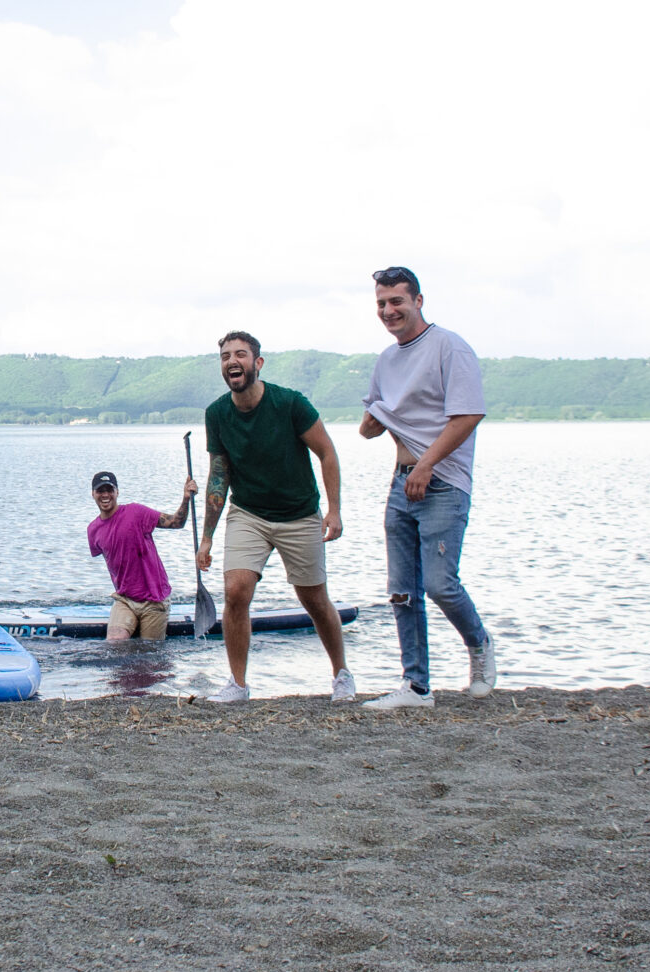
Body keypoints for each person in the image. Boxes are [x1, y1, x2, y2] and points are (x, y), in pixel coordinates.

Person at [357, 266, 498, 705]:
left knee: (440, 585)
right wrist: (374, 421)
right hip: (401, 483)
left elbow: (469, 415)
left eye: (396, 301)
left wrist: (426, 466)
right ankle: (416, 685)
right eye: (381, 303)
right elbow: (373, 422)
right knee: (401, 591)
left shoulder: (449, 347)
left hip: (443, 484)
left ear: (418, 301)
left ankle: (479, 646)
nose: (388, 310)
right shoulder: (386, 359)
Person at [195, 331, 351, 701]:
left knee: (313, 599)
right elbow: (219, 476)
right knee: (236, 591)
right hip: (248, 513)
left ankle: (341, 674)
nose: (232, 361)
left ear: (257, 363)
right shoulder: (217, 413)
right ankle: (238, 684)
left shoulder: (290, 404)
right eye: (225, 356)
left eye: (241, 354)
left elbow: (327, 453)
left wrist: (334, 510)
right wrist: (207, 537)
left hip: (299, 514)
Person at [88, 468, 196, 640]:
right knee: (115, 643)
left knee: (149, 655)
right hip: (125, 599)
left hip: (155, 599)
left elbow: (176, 522)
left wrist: (186, 499)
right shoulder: (93, 530)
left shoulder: (136, 512)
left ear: (117, 492)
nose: (105, 495)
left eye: (110, 490)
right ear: (93, 494)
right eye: (100, 491)